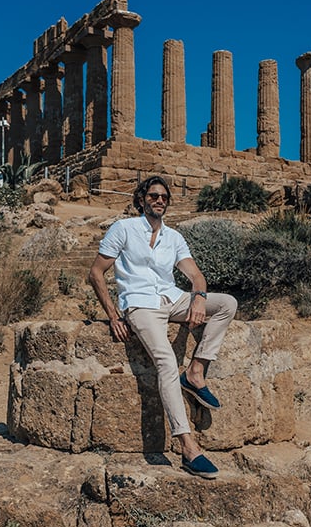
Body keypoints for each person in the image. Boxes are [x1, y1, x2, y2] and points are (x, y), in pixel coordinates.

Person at [88, 175, 237, 479]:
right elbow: (96, 273)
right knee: (166, 361)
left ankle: (195, 373)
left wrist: (198, 299)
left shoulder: (174, 237)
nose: (159, 200)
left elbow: (196, 277)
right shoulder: (124, 229)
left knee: (227, 304)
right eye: (153, 195)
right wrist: (114, 315)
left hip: (173, 299)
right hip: (140, 305)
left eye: (164, 197)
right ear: (142, 199)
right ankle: (188, 446)